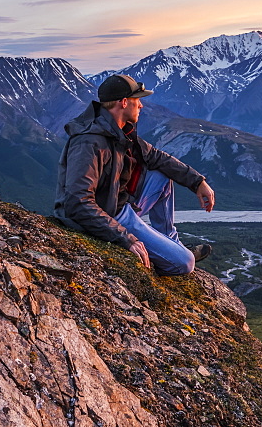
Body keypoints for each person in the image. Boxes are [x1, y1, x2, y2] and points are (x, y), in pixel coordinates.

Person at [54, 73, 215, 275]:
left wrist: (198, 182)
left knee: (162, 177)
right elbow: (78, 202)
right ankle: (174, 255)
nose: (141, 106)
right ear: (123, 103)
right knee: (185, 263)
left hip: (117, 205)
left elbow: (158, 158)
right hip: (107, 217)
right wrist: (124, 237)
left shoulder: (119, 132)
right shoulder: (89, 143)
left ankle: (171, 245)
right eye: (137, 100)